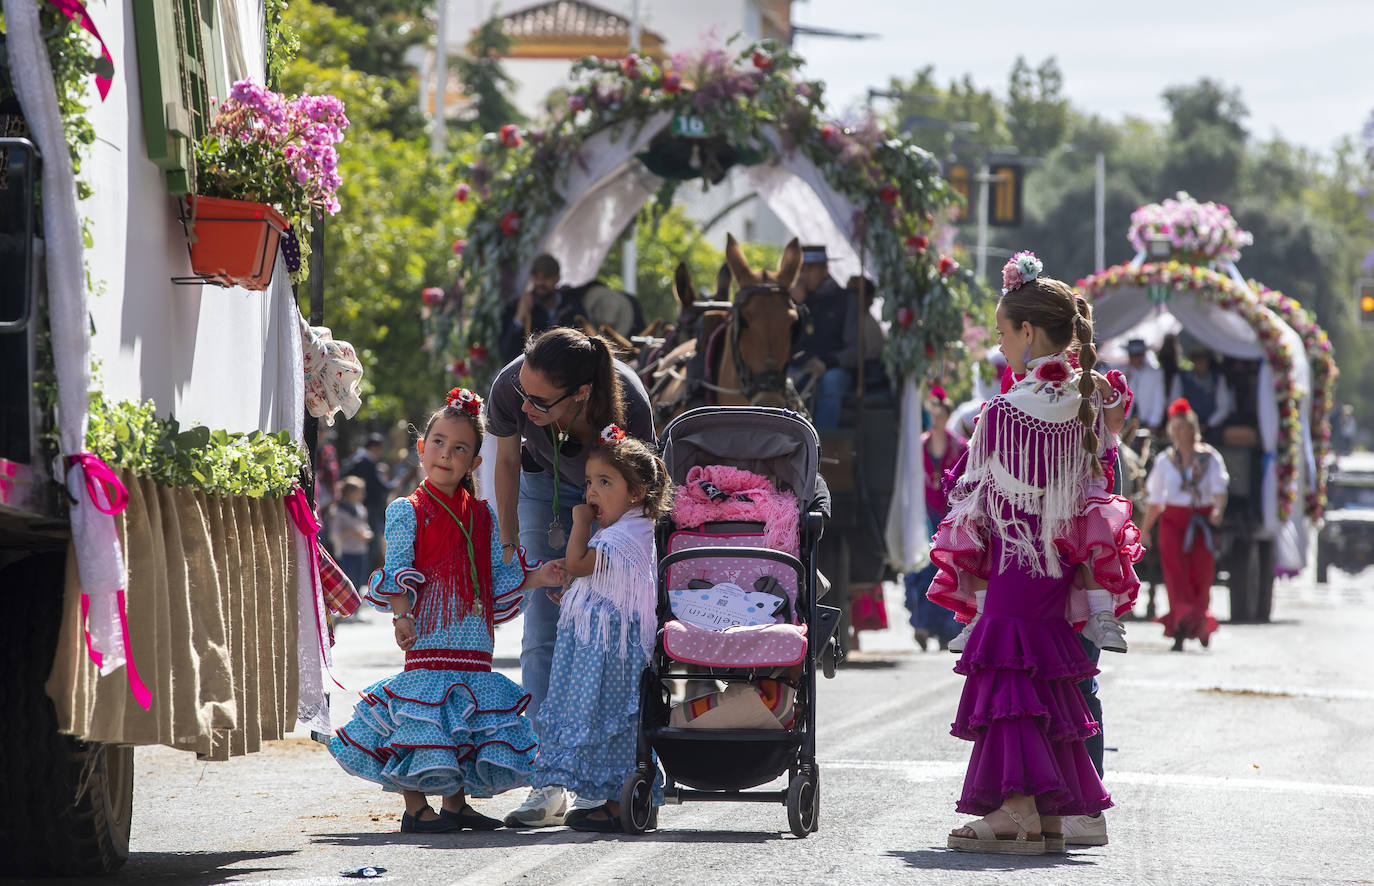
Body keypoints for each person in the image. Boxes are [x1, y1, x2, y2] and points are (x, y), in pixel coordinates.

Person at [929, 252, 1117, 854]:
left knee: (1012, 679)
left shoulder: (1003, 414)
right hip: (1061, 570)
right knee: (1052, 684)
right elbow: (1100, 491)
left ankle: (1017, 810)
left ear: (1029, 333)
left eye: (1005, 332)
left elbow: (972, 506)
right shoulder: (1090, 407)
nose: (1001, 344)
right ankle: (1055, 813)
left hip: (1017, 566)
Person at [329, 388, 565, 833]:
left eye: (460, 448)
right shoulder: (407, 511)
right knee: (423, 713)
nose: (446, 454)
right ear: (421, 448)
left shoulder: (483, 515)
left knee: (459, 717)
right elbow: (398, 568)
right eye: (438, 442)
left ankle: (455, 804)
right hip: (429, 633)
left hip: (474, 637)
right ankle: (416, 807)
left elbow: (498, 574)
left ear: (474, 462)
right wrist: (402, 615)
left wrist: (540, 576)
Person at [487, 327, 656, 827]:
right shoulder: (511, 387)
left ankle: (600, 779)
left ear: (581, 392)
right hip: (542, 486)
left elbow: (642, 487)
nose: (525, 405)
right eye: (522, 391)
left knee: (602, 635)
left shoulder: (628, 401)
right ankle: (549, 777)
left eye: (539, 401)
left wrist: (596, 554)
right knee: (542, 630)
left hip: (614, 495)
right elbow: (507, 461)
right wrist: (510, 544)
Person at [528, 425, 672, 832]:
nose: (591, 492)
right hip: (606, 648)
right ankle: (618, 798)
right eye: (590, 482)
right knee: (610, 722)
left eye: (604, 482)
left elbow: (578, 563)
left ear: (636, 492)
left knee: (608, 720)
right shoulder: (629, 529)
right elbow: (604, 584)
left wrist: (579, 523)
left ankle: (615, 803)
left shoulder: (620, 536)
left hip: (608, 655)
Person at [1139, 398, 1229, 651]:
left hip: (1201, 524)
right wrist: (1145, 530)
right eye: (1174, 428)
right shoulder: (1165, 461)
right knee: (1175, 574)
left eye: (1182, 427)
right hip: (1173, 524)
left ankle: (1199, 621)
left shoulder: (1210, 458)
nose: (1177, 433)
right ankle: (1180, 625)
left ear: (1192, 429)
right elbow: (1155, 500)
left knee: (1202, 574)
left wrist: (1218, 511)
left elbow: (1219, 490)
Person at [903, 386, 967, 651]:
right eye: (932, 415)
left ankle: (946, 631)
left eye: (940, 415)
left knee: (948, 570)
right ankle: (922, 625)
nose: (936, 420)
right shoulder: (919, 445)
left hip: (950, 514)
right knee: (922, 570)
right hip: (924, 514)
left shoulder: (960, 447)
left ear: (948, 416)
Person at [788, 245, 854, 430]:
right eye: (801, 269)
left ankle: (822, 440)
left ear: (825, 270)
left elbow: (856, 349)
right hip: (800, 366)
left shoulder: (845, 299)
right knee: (781, 382)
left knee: (831, 383)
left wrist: (827, 363)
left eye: (810, 269)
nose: (804, 275)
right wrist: (791, 306)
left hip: (834, 368)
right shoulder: (794, 300)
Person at [499, 254, 587, 362]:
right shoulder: (519, 306)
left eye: (546, 278)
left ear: (557, 278)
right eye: (536, 277)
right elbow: (506, 353)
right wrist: (519, 318)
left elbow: (583, 341)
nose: (540, 283)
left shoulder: (570, 305)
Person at [341, 432, 397, 567]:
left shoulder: (356, 457)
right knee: (370, 542)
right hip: (368, 506)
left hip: (354, 505)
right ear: (375, 447)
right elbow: (377, 485)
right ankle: (370, 571)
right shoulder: (366, 460)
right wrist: (392, 485)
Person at [1169, 345, 1233, 442]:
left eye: (1203, 359)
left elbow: (1223, 408)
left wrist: (1208, 424)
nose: (1200, 363)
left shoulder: (1218, 378)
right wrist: (1188, 423)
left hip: (1211, 428)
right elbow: (1175, 404)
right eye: (1196, 359)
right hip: (1186, 426)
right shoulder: (1181, 378)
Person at [329, 476, 373, 592]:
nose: (363, 495)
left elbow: (365, 527)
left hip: (361, 550)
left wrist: (367, 534)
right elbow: (334, 535)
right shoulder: (338, 511)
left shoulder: (361, 509)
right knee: (347, 583)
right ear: (350, 493)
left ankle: (357, 603)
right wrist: (352, 532)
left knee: (359, 582)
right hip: (346, 552)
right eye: (359, 492)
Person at [1122, 338, 1166, 432]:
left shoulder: (1155, 373)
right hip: (1125, 420)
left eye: (1138, 355)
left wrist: (1154, 422)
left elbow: (1158, 399)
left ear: (1143, 355)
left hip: (1146, 421)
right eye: (1132, 355)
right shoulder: (1122, 373)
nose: (1135, 358)